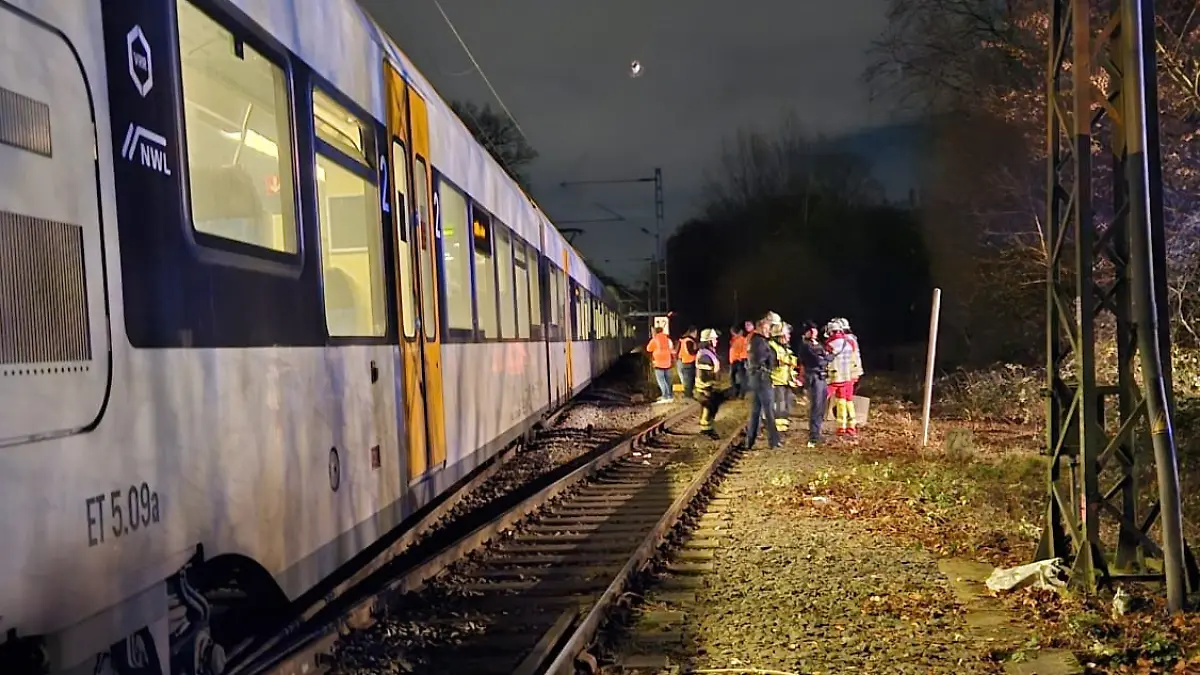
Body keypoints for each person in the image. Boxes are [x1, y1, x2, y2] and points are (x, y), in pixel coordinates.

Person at [745, 312, 781, 449]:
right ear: (763, 324)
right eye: (770, 326)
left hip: (757, 379)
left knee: (756, 411)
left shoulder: (756, 339)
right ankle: (774, 441)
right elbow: (760, 360)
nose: (771, 329)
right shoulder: (759, 341)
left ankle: (750, 441)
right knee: (769, 411)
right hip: (762, 379)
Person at [824, 317, 864, 436]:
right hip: (849, 374)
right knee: (847, 400)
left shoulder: (832, 343)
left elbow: (828, 361)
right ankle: (850, 426)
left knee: (840, 399)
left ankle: (842, 426)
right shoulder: (851, 341)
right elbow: (855, 358)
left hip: (838, 377)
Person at [797, 321, 832, 448]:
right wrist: (826, 358)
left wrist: (826, 358)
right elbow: (818, 361)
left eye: (814, 330)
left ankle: (818, 432)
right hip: (813, 377)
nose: (813, 332)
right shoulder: (805, 346)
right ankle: (813, 435)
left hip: (821, 377)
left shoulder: (818, 344)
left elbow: (826, 357)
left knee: (822, 406)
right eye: (810, 330)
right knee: (816, 406)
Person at [695, 328, 729, 438]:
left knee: (711, 407)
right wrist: (709, 388)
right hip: (706, 387)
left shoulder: (708, 352)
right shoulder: (705, 355)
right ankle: (706, 430)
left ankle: (707, 428)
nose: (716, 341)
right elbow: (705, 374)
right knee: (708, 408)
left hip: (709, 387)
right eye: (714, 339)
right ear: (708, 341)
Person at [767, 322, 794, 432]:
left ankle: (783, 425)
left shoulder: (784, 348)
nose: (789, 337)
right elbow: (772, 364)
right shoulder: (772, 347)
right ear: (780, 336)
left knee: (786, 402)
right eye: (787, 335)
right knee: (780, 404)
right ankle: (778, 428)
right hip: (776, 380)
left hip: (785, 380)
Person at [646, 326, 675, 403]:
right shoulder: (668, 339)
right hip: (668, 362)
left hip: (659, 363)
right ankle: (670, 396)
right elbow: (672, 349)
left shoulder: (655, 339)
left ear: (655, 332)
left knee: (661, 381)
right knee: (668, 380)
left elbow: (648, 349)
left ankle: (665, 396)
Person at [677, 327, 699, 398]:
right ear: (693, 332)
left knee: (688, 380)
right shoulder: (689, 341)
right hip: (688, 362)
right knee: (688, 381)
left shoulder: (684, 340)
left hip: (684, 362)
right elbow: (691, 352)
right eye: (696, 332)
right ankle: (688, 396)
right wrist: (698, 352)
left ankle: (688, 394)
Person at [728, 325, 749, 398]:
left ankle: (740, 393)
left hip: (738, 361)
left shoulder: (742, 340)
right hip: (734, 361)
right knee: (734, 377)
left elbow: (745, 351)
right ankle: (737, 392)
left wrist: (741, 358)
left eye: (732, 332)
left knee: (740, 378)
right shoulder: (734, 339)